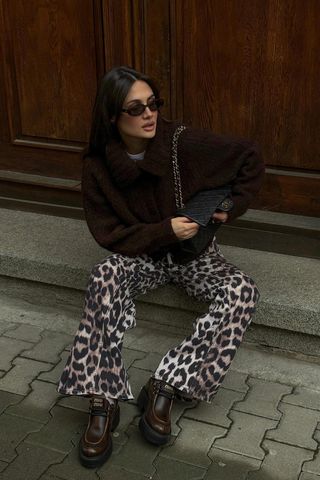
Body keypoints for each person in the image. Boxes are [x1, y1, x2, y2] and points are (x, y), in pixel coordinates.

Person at [57, 65, 264, 468]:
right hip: (143, 256)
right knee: (104, 275)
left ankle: (168, 383)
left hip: (194, 256)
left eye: (153, 103)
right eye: (136, 108)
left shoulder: (180, 142)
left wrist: (228, 208)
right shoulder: (97, 167)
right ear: (113, 117)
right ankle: (103, 400)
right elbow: (110, 235)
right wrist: (164, 231)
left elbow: (249, 157)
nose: (149, 114)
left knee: (243, 290)